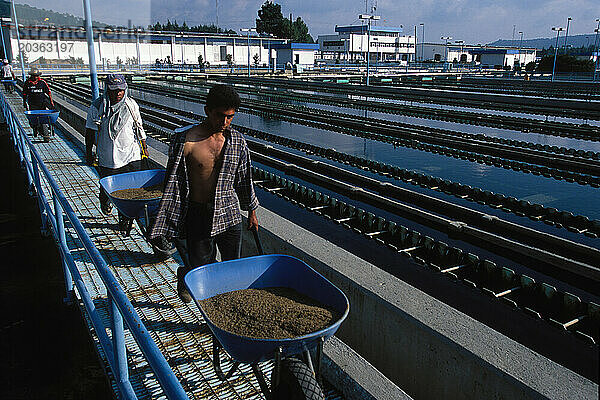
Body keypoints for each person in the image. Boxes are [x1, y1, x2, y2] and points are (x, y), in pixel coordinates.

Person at [149, 84, 259, 302]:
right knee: (201, 267)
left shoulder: (237, 142)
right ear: (207, 110)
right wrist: (167, 219)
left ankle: (226, 306)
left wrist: (252, 211)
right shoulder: (186, 141)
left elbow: (245, 179)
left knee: (231, 266)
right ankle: (188, 275)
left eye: (230, 117)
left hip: (229, 214)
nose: (225, 122)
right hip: (198, 213)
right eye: (220, 116)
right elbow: (173, 183)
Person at [85, 73, 149, 227]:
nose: (118, 93)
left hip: (130, 155)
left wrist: (144, 148)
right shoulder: (97, 106)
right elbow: (89, 132)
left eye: (120, 90)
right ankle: (105, 199)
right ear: (107, 89)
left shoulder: (131, 104)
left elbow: (139, 127)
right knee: (109, 187)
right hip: (108, 156)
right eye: (114, 90)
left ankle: (125, 220)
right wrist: (88, 153)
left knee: (129, 191)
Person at [22, 67, 54, 142]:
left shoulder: (42, 82)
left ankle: (44, 131)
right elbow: (24, 93)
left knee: (43, 118)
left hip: (42, 104)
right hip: (32, 104)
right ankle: (34, 128)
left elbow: (48, 92)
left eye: (36, 75)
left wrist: (51, 101)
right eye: (33, 75)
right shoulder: (27, 83)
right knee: (33, 119)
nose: (35, 77)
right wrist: (24, 102)